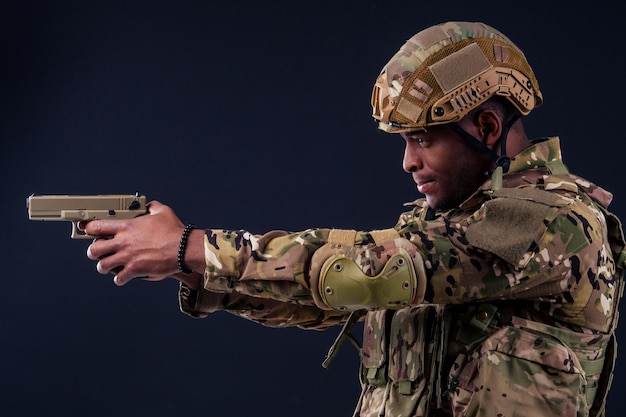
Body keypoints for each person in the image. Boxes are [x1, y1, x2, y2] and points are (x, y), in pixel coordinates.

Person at [81, 21, 625, 417]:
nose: (408, 162)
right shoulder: (444, 227)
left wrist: (192, 245)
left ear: (485, 127)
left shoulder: (553, 224)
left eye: (421, 139)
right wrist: (196, 272)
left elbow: (367, 274)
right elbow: (337, 300)